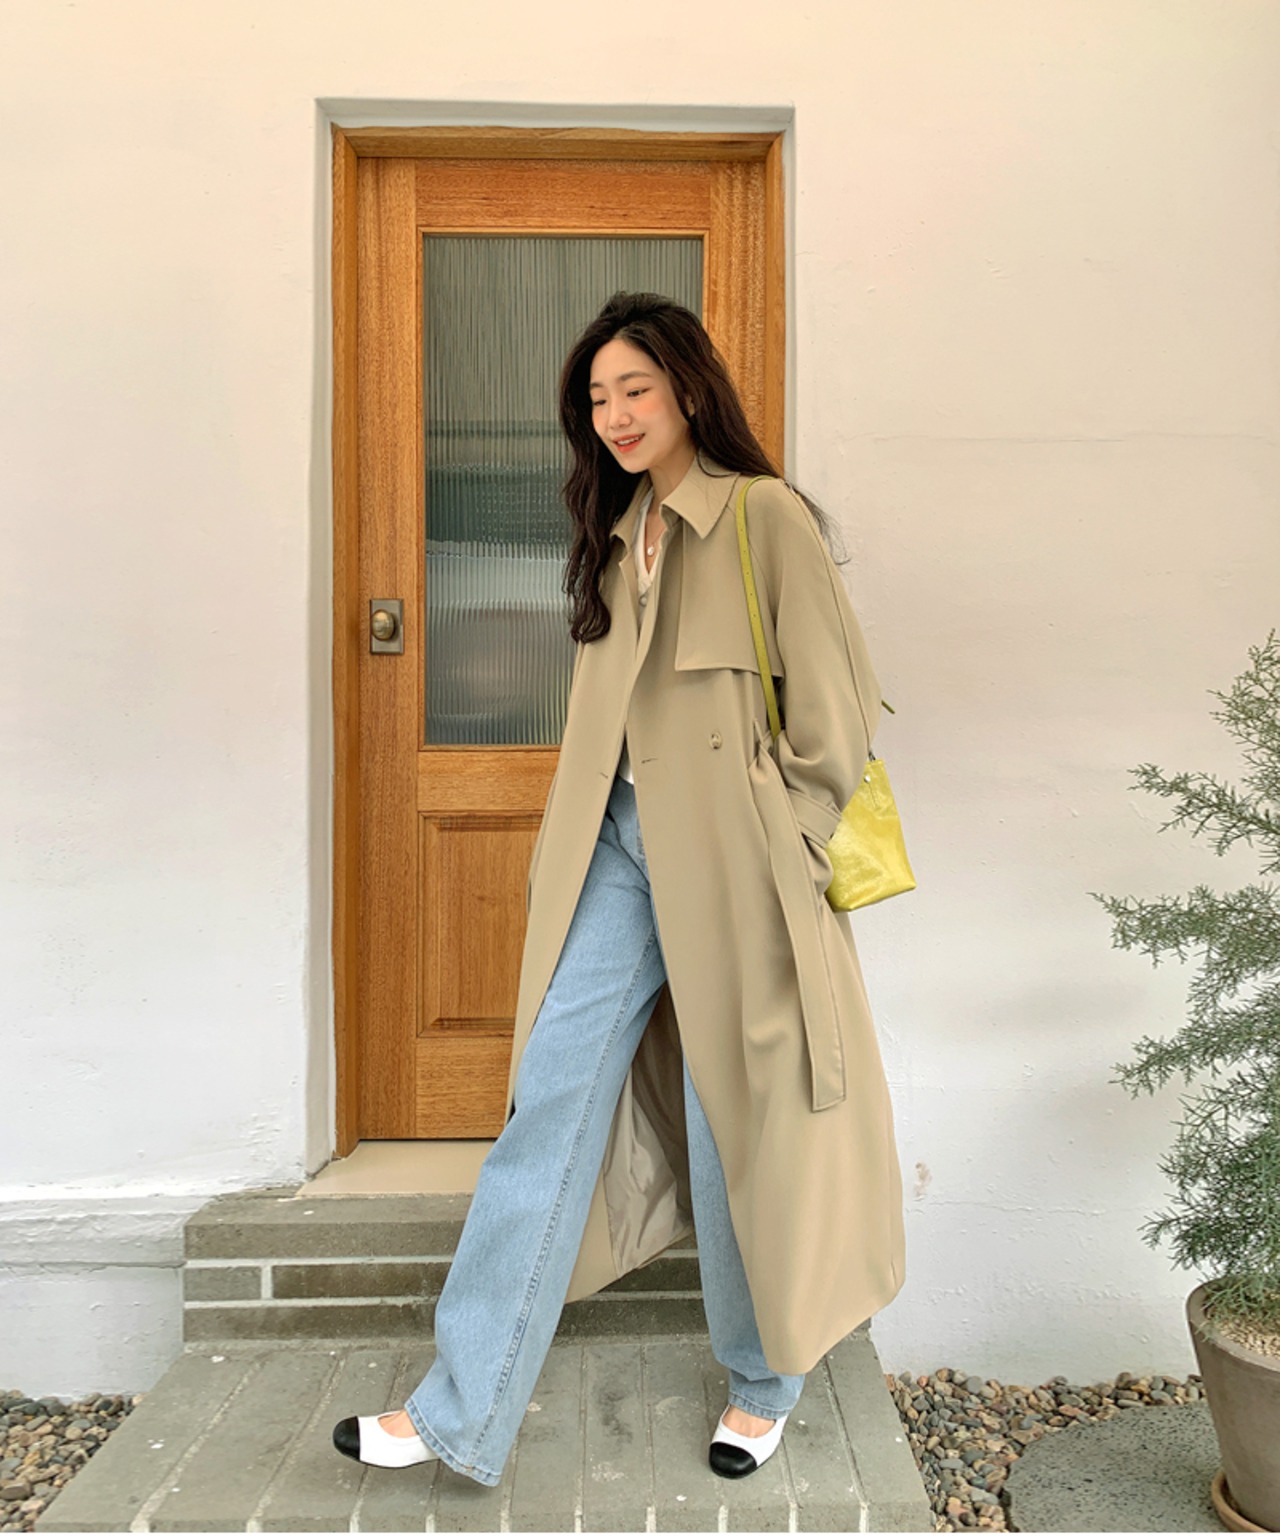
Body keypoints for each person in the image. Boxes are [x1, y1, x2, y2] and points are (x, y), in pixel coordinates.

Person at [333, 291, 905, 1489]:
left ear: (688, 388)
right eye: (596, 398)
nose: (614, 415)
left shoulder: (761, 517)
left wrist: (789, 849)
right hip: (619, 848)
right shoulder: (616, 531)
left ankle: (762, 1381)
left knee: (729, 1115)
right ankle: (458, 1409)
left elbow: (836, 711)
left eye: (633, 389)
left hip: (738, 861)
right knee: (547, 1097)